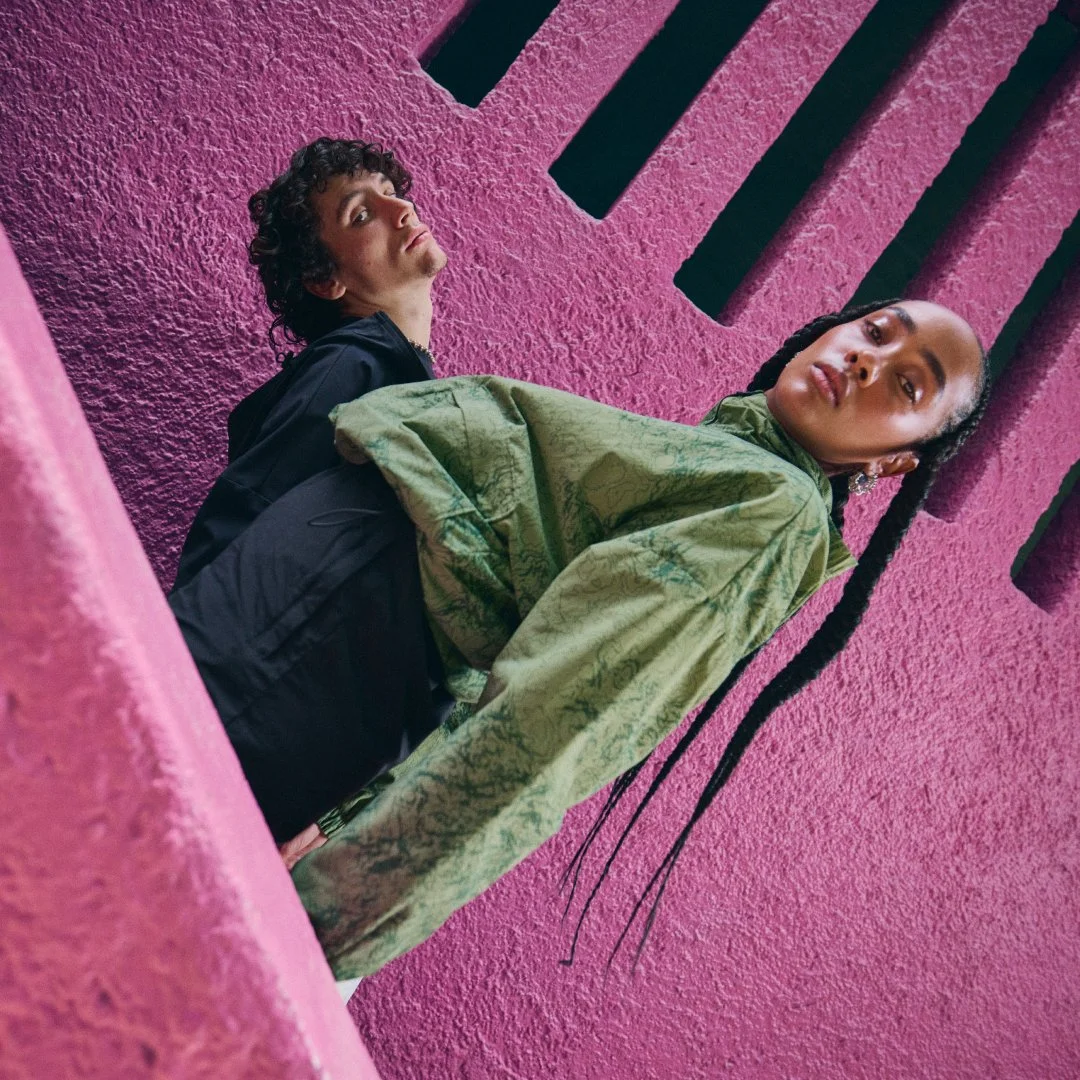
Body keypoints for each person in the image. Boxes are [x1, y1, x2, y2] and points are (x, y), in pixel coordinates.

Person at [170, 295, 989, 979]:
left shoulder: (773, 515)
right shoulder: (729, 465)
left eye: (907, 386)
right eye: (875, 333)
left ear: (894, 465)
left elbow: (550, 729)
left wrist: (314, 928)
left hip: (307, 651)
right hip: (300, 641)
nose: (864, 362)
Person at [172, 136, 447, 591]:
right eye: (361, 215)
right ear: (325, 280)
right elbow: (242, 522)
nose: (402, 211)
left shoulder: (391, 371)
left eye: (391, 192)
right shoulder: (351, 366)